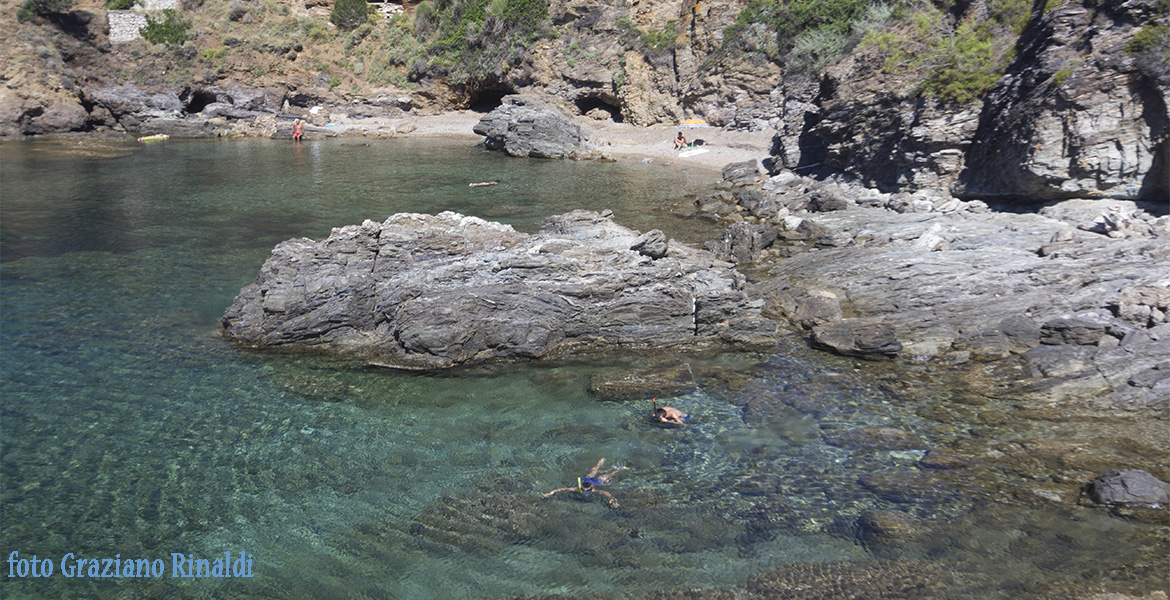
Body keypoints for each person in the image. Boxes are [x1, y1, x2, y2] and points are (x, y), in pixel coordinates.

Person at [542, 458, 628, 508]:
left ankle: (619, 469)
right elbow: (562, 489)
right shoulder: (578, 489)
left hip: (592, 481)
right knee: (594, 473)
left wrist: (611, 498)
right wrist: (550, 493)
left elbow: (604, 492)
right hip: (587, 480)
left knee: (607, 476)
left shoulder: (589, 490)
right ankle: (600, 463)